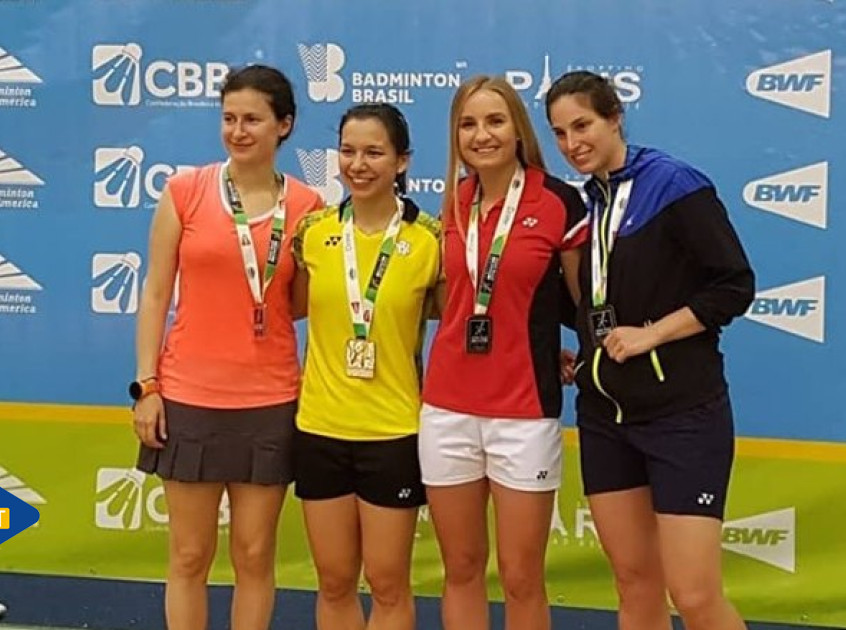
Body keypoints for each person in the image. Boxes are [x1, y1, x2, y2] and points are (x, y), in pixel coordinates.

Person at [544, 71, 756, 630]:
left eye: (583, 126)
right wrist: (581, 349)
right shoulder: (588, 202)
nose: (572, 144)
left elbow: (734, 285)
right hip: (605, 418)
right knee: (634, 584)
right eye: (560, 133)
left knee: (694, 595)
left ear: (615, 117)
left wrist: (653, 333)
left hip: (681, 415)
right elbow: (597, 301)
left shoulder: (674, 184)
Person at [129, 64, 324, 630]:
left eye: (253, 120)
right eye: (229, 118)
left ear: (284, 125)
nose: (238, 131)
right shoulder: (185, 191)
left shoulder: (309, 206)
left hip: (269, 400)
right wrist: (147, 386)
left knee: (255, 556)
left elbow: (301, 302)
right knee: (189, 556)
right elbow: (155, 293)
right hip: (189, 397)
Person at [420, 75, 588, 630]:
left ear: (518, 128)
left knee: (520, 577)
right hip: (447, 409)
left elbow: (582, 303)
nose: (482, 135)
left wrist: (566, 350)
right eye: (468, 124)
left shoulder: (559, 201)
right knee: (461, 569)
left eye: (495, 121)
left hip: (523, 413)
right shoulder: (452, 203)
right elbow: (450, 298)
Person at [290, 103, 441, 630]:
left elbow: (464, 320)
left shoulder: (431, 240)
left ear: (402, 161)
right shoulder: (312, 232)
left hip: (393, 432)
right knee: (334, 581)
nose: (358, 164)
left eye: (374, 152)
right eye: (348, 151)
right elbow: (289, 307)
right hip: (319, 429)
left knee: (387, 583)